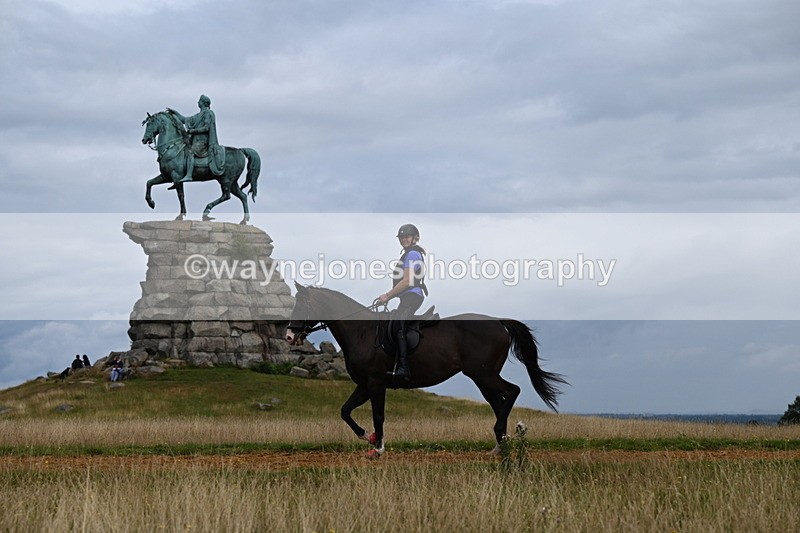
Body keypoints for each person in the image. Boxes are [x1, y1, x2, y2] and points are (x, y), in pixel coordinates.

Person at [376, 224, 428, 382]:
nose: (404, 239)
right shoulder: (408, 254)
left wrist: (387, 295)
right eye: (402, 237)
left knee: (398, 325)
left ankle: (404, 368)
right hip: (407, 296)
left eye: (407, 236)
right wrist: (389, 297)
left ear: (415, 238)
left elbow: (407, 281)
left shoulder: (412, 254)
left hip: (413, 296)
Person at [166, 94, 225, 185]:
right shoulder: (198, 115)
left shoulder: (208, 113)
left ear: (203, 103)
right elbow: (185, 120)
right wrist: (175, 113)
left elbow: (206, 127)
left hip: (203, 141)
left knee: (190, 152)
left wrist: (193, 130)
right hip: (195, 141)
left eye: (199, 101)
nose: (198, 102)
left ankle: (189, 175)